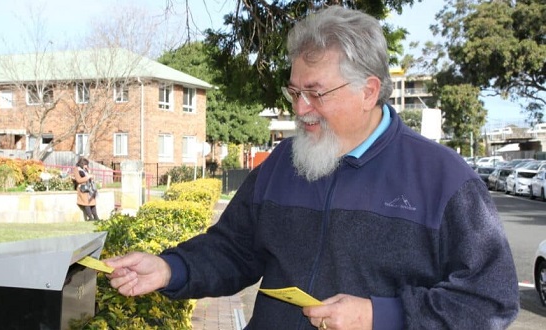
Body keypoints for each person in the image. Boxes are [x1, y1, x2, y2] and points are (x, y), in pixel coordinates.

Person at [105, 6, 519, 329]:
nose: (301, 109)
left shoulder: (443, 179)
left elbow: (490, 299)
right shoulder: (284, 162)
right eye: (295, 91)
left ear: (368, 92)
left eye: (316, 93)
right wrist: (170, 267)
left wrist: (381, 317)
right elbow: (234, 250)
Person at [73, 157, 99, 221]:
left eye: (87, 164)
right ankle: (90, 218)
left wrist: (90, 175)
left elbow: (90, 177)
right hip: (83, 188)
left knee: (92, 202)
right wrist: (87, 177)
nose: (86, 166)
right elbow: (78, 180)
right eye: (85, 164)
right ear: (81, 164)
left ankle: (96, 217)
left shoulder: (86, 170)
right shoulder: (77, 169)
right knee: (86, 203)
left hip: (89, 189)